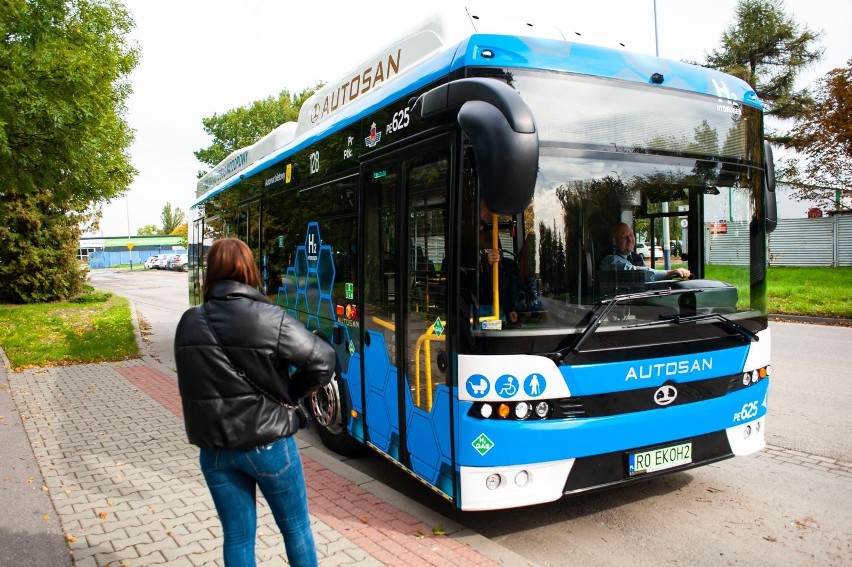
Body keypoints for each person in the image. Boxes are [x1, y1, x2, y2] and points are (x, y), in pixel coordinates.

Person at [173, 238, 335, 567]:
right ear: (249, 269)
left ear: (211, 273)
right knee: (296, 528)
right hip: (269, 445)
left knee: (236, 537)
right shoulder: (270, 318)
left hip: (216, 450)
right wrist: (291, 392)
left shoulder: (190, 322)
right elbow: (324, 360)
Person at [599, 222, 691, 281]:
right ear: (614, 241)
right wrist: (670, 273)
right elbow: (641, 274)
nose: (630, 239)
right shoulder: (610, 260)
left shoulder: (635, 257)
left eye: (631, 235)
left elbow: (648, 279)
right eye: (624, 237)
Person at [479, 197, 519, 324]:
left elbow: (501, 275)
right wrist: (485, 261)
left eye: (492, 208)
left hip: (495, 305)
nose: (490, 212)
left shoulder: (492, 234)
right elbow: (462, 267)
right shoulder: (465, 236)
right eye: (486, 206)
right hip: (477, 304)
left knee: (495, 340)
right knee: (479, 339)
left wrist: (510, 308)